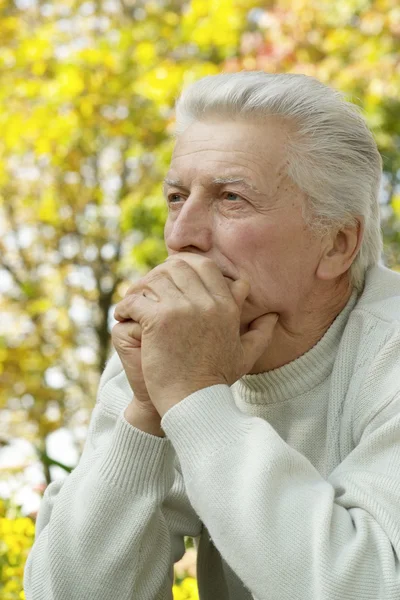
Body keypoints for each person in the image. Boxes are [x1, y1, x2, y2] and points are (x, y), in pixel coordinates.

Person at [24, 71, 400, 600]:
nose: (181, 236)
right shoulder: (177, 342)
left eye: (231, 199)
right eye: (177, 197)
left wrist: (196, 397)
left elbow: (369, 586)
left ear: (337, 244)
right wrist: (148, 413)